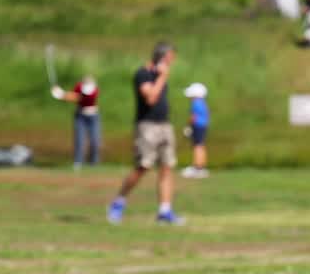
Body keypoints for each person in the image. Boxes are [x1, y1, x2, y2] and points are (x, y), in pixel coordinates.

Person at [106, 41, 183, 225]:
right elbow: (150, 98)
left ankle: (165, 210)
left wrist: (162, 77)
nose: (172, 62)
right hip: (147, 126)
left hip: (164, 125)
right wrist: (162, 78)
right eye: (170, 58)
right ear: (162, 57)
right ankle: (119, 202)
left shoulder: (158, 75)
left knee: (166, 167)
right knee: (143, 166)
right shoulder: (143, 74)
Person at [51, 75, 101, 169]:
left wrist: (61, 95)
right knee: (79, 139)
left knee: (95, 140)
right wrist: (61, 93)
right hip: (80, 115)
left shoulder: (94, 91)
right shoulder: (79, 86)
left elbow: (77, 98)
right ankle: (78, 162)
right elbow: (74, 94)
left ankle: (94, 163)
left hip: (93, 116)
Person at [181, 82, 209, 179]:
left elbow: (193, 117)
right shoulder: (202, 103)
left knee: (197, 146)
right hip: (203, 126)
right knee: (201, 146)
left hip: (197, 126)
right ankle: (201, 167)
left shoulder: (196, 103)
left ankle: (197, 168)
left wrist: (188, 126)